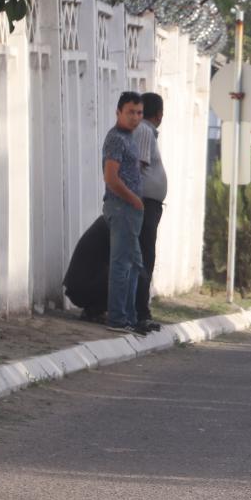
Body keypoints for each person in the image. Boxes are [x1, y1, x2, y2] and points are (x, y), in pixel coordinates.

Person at [102, 91, 149, 335]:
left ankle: (128, 317)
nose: (135, 117)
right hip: (121, 207)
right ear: (119, 112)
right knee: (122, 263)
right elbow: (111, 177)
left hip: (130, 210)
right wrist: (133, 199)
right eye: (130, 112)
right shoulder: (116, 139)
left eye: (139, 112)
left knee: (134, 263)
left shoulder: (130, 137)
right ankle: (118, 319)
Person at [133, 92, 166, 330]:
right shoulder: (145, 131)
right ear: (159, 114)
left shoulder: (146, 132)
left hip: (147, 204)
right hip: (143, 204)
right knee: (144, 257)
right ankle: (140, 311)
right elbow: (138, 167)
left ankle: (140, 309)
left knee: (144, 256)